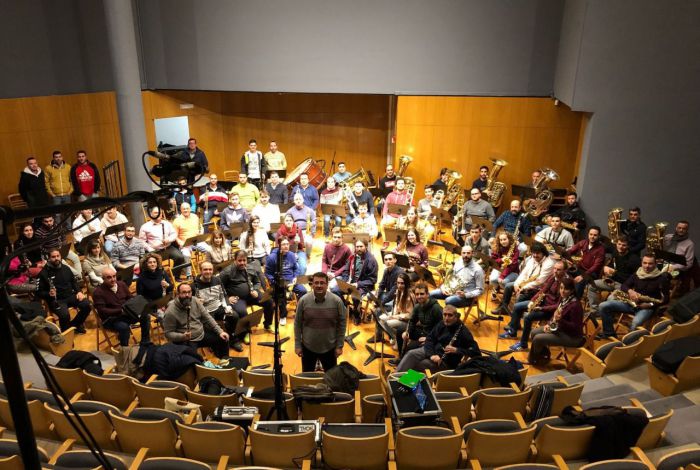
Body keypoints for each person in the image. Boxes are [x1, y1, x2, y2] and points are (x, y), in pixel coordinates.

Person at [597, 254, 670, 339]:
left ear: (655, 264)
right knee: (603, 306)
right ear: (641, 263)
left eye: (650, 263)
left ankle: (629, 343)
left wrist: (650, 305)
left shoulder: (661, 279)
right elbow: (624, 285)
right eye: (644, 263)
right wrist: (630, 291)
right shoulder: (638, 273)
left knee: (635, 323)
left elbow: (666, 299)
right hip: (631, 303)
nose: (647, 266)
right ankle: (608, 333)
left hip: (647, 307)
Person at [502, 260, 568, 352]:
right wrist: (533, 301)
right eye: (554, 269)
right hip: (542, 303)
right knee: (517, 306)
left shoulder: (565, 284)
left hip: (550, 311)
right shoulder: (553, 277)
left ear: (565, 271)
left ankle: (523, 344)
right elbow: (543, 290)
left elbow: (558, 306)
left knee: (528, 317)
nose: (555, 271)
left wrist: (541, 308)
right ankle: (512, 332)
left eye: (558, 270)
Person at [396, 305, 481, 373]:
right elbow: (430, 339)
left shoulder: (463, 332)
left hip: (445, 361)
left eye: (450, 315)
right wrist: (432, 354)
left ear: (456, 317)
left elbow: (476, 352)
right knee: (411, 354)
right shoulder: (442, 323)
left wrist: (457, 350)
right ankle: (395, 377)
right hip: (433, 352)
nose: (446, 318)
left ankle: (406, 385)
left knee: (421, 365)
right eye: (445, 315)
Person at [294, 272, 346, 372]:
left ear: (327, 284)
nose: (319, 285)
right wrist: (297, 345)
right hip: (308, 347)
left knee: (331, 380)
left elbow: (342, 325)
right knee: (307, 379)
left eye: (322, 283)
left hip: (330, 348)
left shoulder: (337, 301)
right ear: (312, 284)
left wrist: (339, 346)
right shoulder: (303, 300)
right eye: (316, 283)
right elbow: (297, 324)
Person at [163, 283, 230, 358]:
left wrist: (220, 331)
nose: (187, 295)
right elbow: (168, 333)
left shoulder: (195, 300)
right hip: (185, 341)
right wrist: (182, 336)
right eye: (184, 292)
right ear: (177, 294)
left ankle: (225, 363)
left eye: (189, 292)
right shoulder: (170, 311)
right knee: (193, 360)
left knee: (223, 339)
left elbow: (207, 317)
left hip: (201, 334)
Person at [528, 278, 584, 365]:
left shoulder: (576, 305)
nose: (562, 291)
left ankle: (535, 359)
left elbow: (575, 327)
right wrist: (549, 324)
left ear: (572, 290)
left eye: (566, 289)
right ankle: (544, 355)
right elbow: (555, 314)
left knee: (538, 338)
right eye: (561, 288)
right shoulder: (564, 299)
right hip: (559, 328)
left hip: (572, 336)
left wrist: (560, 320)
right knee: (533, 332)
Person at [93, 266, 151, 346]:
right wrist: (120, 311)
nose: (113, 279)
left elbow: (130, 298)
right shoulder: (98, 292)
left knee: (146, 316)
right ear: (103, 279)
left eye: (114, 276)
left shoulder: (121, 284)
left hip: (126, 314)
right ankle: (125, 348)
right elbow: (102, 310)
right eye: (109, 277)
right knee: (124, 327)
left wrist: (138, 304)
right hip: (111, 319)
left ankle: (145, 341)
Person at [37, 249, 91, 333]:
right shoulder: (43, 273)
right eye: (53, 257)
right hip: (56, 300)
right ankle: (67, 337)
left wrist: (79, 291)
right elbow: (39, 292)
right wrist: (48, 293)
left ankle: (74, 325)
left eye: (58, 256)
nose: (56, 258)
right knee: (65, 315)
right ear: (49, 258)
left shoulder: (66, 268)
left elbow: (74, 282)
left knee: (87, 305)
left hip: (70, 295)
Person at [492, 242, 554, 315]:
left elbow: (540, 281)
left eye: (537, 253)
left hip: (537, 288)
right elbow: (523, 273)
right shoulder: (532, 259)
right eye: (533, 253)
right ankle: (503, 308)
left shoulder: (549, 264)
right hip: (526, 282)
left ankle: (516, 315)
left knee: (521, 294)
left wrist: (523, 288)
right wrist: (516, 284)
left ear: (543, 253)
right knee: (508, 286)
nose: (535, 255)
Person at [195, 261, 243, 352]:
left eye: (210, 269)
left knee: (234, 316)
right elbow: (190, 303)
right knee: (211, 327)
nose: (208, 272)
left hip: (218, 307)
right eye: (205, 269)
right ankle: (215, 343)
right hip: (206, 312)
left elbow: (223, 295)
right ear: (200, 271)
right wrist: (196, 302)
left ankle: (233, 339)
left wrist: (227, 306)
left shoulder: (217, 280)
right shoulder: (194, 285)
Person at [391, 283, 443, 363]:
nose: (419, 296)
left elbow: (441, 328)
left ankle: (404, 363)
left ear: (427, 294)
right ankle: (401, 357)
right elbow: (412, 321)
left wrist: (428, 339)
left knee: (410, 349)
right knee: (401, 329)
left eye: (422, 294)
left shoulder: (436, 308)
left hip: (432, 336)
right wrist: (407, 332)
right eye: (417, 294)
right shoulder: (417, 306)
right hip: (423, 331)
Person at [587, 236, 640, 310]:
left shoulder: (634, 259)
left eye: (624, 245)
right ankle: (595, 312)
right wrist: (606, 267)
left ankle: (608, 315)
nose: (620, 247)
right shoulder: (616, 252)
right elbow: (611, 265)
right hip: (611, 282)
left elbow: (634, 278)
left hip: (623, 286)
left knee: (610, 299)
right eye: (619, 244)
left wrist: (614, 273)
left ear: (628, 246)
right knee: (592, 286)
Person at [266, 237, 307, 326]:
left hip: (291, 280)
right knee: (281, 294)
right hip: (279, 282)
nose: (286, 246)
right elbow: (268, 273)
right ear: (279, 245)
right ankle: (283, 315)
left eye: (287, 244)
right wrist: (274, 282)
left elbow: (296, 269)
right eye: (284, 244)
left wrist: (295, 277)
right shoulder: (272, 257)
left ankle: (299, 311)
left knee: (303, 291)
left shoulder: (292, 255)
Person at [336, 239, 377, 324]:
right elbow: (346, 271)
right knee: (335, 290)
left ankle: (356, 314)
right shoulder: (352, 257)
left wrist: (358, 284)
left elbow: (373, 280)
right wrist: (345, 281)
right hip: (351, 283)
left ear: (366, 246)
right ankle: (346, 307)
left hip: (364, 285)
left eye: (361, 246)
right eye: (357, 246)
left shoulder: (371, 260)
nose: (358, 248)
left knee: (355, 296)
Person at [139, 206, 186, 278]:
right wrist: (150, 249)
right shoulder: (145, 226)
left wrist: (168, 239)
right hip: (154, 251)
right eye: (156, 213)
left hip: (168, 248)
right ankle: (158, 279)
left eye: (160, 213)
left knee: (179, 257)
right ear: (151, 214)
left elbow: (174, 234)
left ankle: (174, 276)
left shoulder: (167, 223)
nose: (158, 215)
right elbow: (141, 241)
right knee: (152, 264)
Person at [376, 272, 415, 349]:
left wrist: (395, 317)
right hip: (398, 315)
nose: (399, 285)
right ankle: (395, 337)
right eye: (398, 283)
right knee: (381, 319)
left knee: (388, 323)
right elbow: (396, 306)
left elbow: (410, 315)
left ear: (406, 284)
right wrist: (392, 315)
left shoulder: (409, 296)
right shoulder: (398, 291)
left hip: (406, 321)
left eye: (402, 283)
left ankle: (398, 339)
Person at [566, 226, 606, 298]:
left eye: (595, 235)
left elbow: (595, 267)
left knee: (580, 281)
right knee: (564, 272)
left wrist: (583, 276)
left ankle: (575, 300)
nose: (592, 237)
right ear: (588, 234)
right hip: (580, 269)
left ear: (598, 236)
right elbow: (571, 251)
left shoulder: (601, 249)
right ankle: (564, 296)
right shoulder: (583, 242)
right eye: (591, 234)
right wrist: (564, 256)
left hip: (591, 273)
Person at [663, 220, 699, 295]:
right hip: (666, 263)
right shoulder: (668, 238)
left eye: (684, 228)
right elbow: (665, 251)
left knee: (664, 276)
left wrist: (674, 267)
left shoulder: (690, 244)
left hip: (678, 268)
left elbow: (689, 264)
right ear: (676, 228)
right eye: (679, 228)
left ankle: (665, 295)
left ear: (687, 230)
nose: (681, 230)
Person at [286, 192, 317, 258]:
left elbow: (315, 220)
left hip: (306, 231)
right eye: (296, 199)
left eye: (300, 199)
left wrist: (312, 225)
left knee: (309, 242)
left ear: (303, 200)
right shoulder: (290, 211)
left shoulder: (309, 210)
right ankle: (294, 255)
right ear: (294, 201)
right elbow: (286, 222)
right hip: (294, 231)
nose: (298, 201)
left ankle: (307, 255)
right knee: (293, 242)